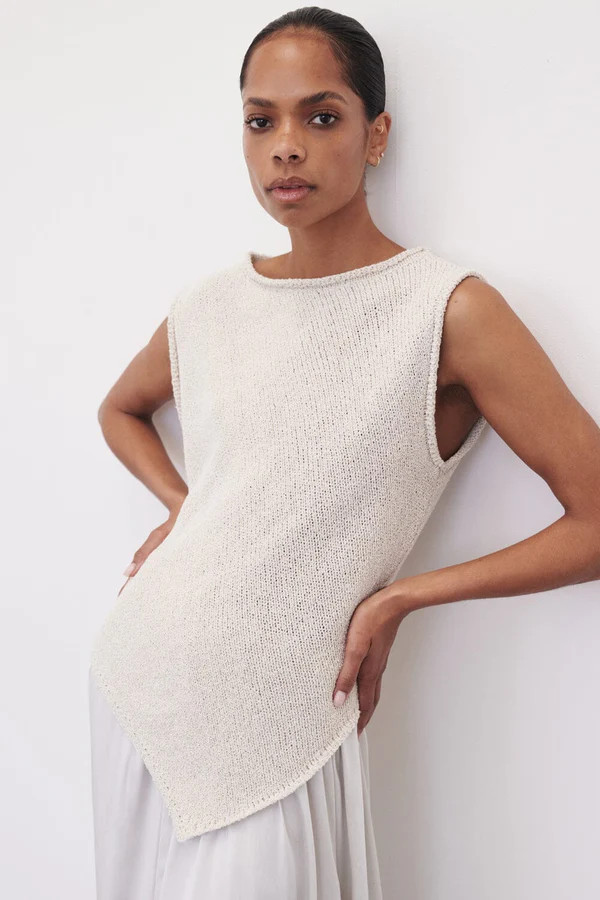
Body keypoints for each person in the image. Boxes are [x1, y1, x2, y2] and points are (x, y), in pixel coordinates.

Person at [88, 7, 600, 900]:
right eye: (261, 121)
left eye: (321, 116)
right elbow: (120, 409)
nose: (287, 146)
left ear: (377, 135)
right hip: (139, 682)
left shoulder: (447, 309)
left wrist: (402, 597)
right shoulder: (210, 304)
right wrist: (186, 507)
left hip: (281, 714)